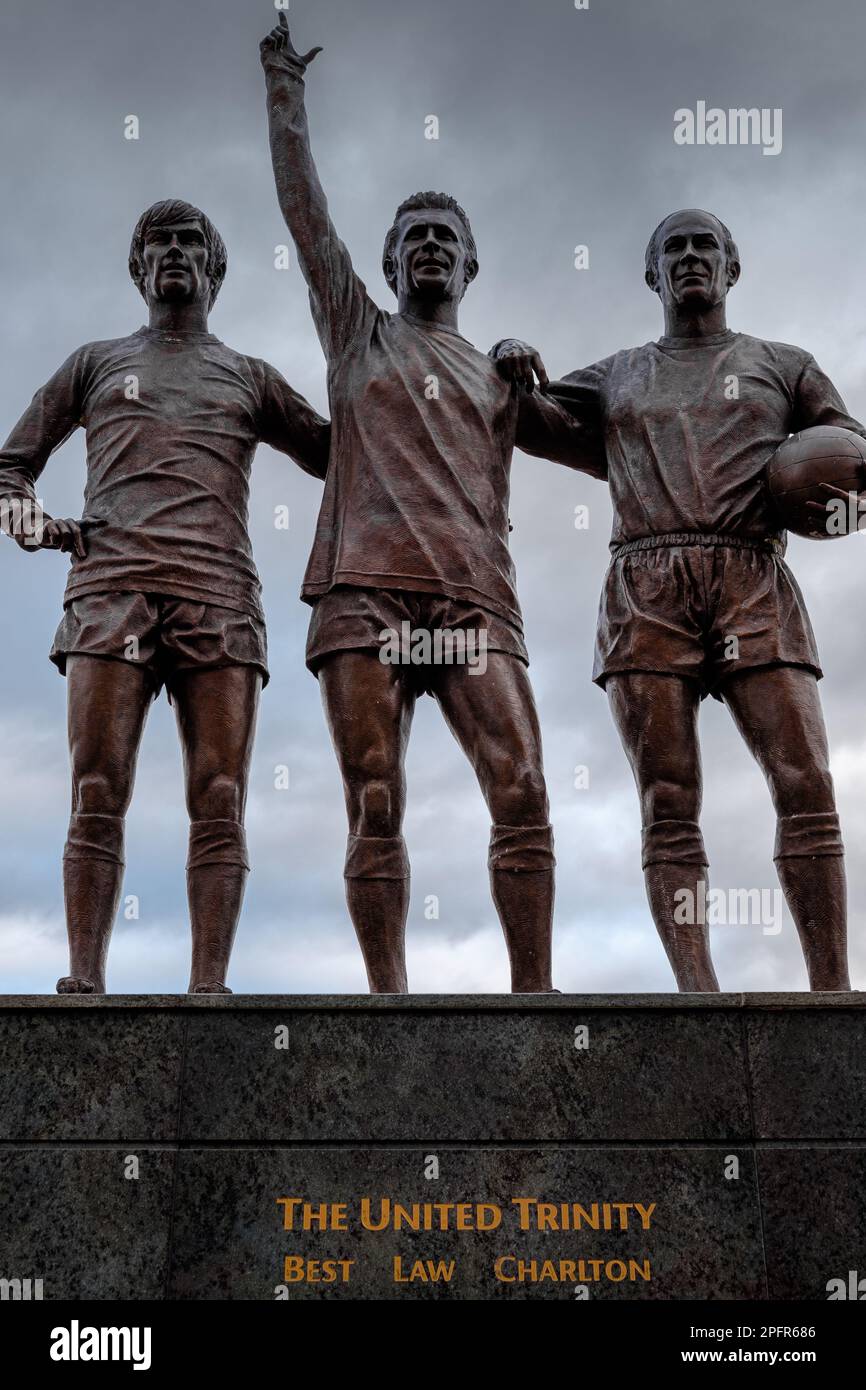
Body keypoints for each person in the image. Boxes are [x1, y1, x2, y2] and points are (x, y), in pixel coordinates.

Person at [259, 16, 604, 993]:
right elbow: (303, 211)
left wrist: (529, 385)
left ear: (469, 265)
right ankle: (387, 1002)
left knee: (524, 791)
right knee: (374, 800)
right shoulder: (355, 331)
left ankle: (534, 993)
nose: (427, 245)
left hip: (471, 606)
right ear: (384, 260)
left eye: (444, 237)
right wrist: (283, 90)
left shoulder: (503, 376)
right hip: (364, 597)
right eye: (411, 235)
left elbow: (611, 452)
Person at [494, 208, 865, 991]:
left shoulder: (785, 364)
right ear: (651, 274)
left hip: (751, 576)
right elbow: (526, 417)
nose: (691, 257)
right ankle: (696, 994)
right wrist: (506, 358)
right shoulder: (620, 373)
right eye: (675, 248)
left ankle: (832, 992)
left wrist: (837, 495)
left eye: (706, 246)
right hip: (646, 585)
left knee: (805, 781)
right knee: (668, 797)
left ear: (732, 269)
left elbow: (854, 458)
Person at [0, 199, 329, 995]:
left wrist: (454, 486)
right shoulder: (94, 363)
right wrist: (29, 520)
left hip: (218, 597)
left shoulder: (251, 376)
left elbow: (345, 457)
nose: (175, 252)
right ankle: (83, 977)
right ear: (138, 267)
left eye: (190, 242)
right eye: (160, 242)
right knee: (96, 787)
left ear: (214, 268)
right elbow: (8, 469)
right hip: (110, 590)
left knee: (219, 796)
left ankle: (208, 987)